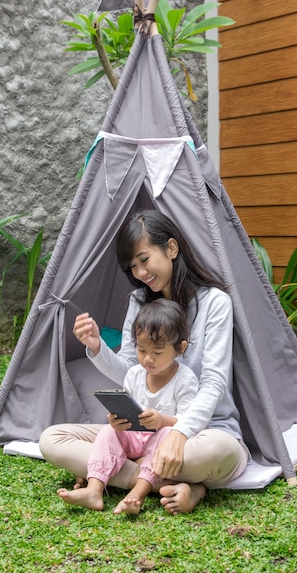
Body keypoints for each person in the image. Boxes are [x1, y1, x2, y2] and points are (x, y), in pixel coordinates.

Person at [39, 209, 249, 514]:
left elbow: (214, 382)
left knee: (222, 452)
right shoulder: (139, 302)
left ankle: (112, 473)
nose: (139, 273)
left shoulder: (215, 303)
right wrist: (97, 348)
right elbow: (131, 368)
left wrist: (180, 433)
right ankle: (180, 484)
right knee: (52, 439)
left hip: (203, 432)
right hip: (139, 436)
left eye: (144, 260)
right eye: (132, 266)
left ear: (172, 249)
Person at [57, 299, 199, 515]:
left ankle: (137, 495)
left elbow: (189, 422)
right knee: (108, 431)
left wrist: (162, 420)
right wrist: (117, 420)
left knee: (167, 433)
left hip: (163, 443)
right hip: (134, 437)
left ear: (180, 348)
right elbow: (129, 409)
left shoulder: (185, 379)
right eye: (141, 350)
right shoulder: (134, 374)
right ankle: (94, 490)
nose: (148, 359)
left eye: (158, 352)